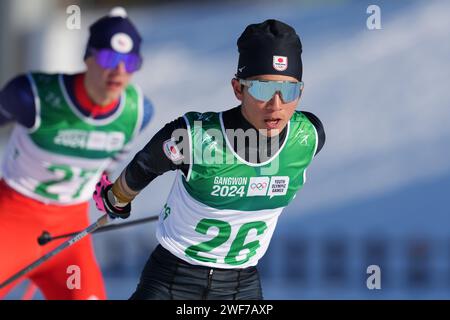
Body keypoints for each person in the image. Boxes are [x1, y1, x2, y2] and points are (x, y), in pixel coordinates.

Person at [94, 19, 325, 300]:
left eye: (288, 91)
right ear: (238, 89)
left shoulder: (308, 136)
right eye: (263, 89)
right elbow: (144, 166)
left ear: (300, 91)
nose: (276, 105)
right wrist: (115, 198)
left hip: (241, 286)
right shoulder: (195, 137)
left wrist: (116, 200)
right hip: (173, 280)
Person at [0, 8, 154, 300]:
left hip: (70, 234)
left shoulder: (137, 113)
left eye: (130, 62)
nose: (118, 71)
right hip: (13, 219)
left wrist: (108, 194)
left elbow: (101, 170)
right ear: (88, 58)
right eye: (110, 59)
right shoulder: (31, 96)